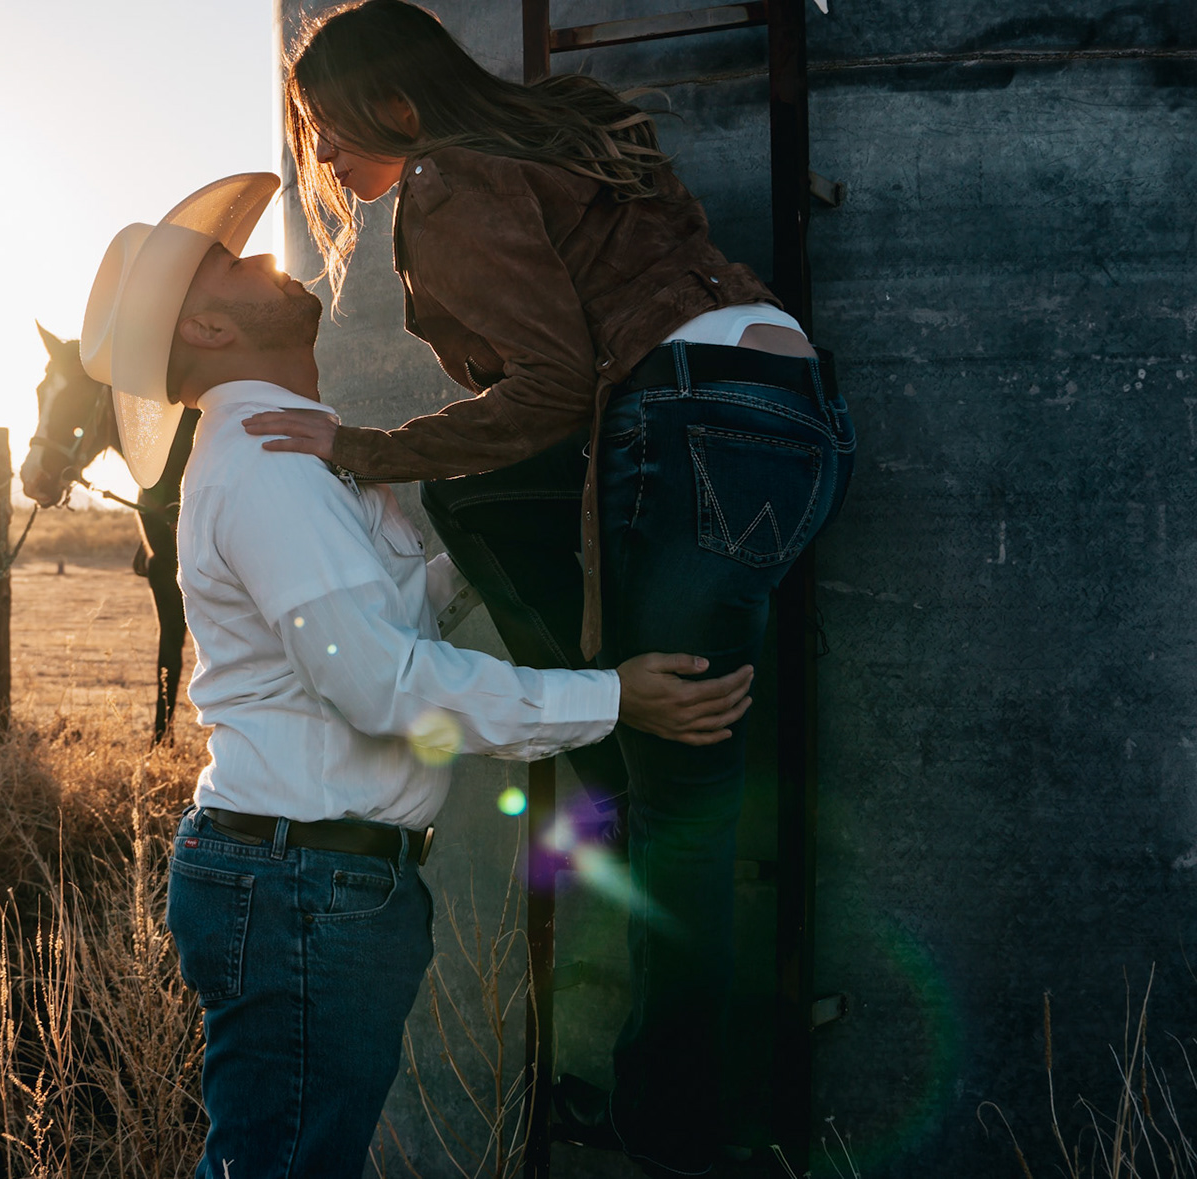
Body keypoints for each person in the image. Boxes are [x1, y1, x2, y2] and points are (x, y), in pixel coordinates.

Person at [240, 3, 856, 1174]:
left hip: (687, 420)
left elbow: (552, 386)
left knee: (675, 801)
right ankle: (607, 750)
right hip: (794, 417)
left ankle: (666, 1130)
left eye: (330, 126)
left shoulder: (446, 180)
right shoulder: (564, 129)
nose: (323, 155)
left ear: (398, 103)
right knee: (692, 777)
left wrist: (362, 447)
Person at [79, 172, 756, 1179]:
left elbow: (378, 621)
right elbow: (384, 685)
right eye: (230, 264)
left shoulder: (288, 452)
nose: (264, 257)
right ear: (208, 331)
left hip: (312, 880)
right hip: (304, 889)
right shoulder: (266, 466)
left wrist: (501, 532)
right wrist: (616, 698)